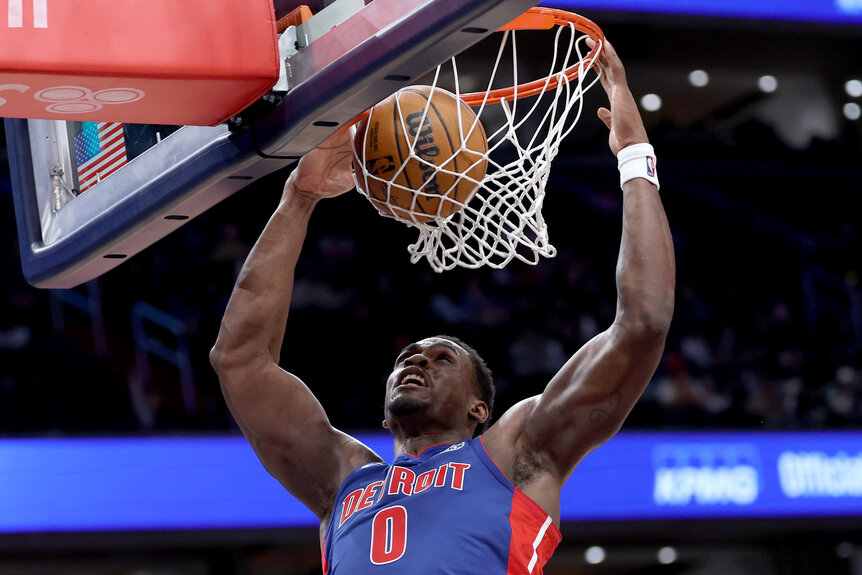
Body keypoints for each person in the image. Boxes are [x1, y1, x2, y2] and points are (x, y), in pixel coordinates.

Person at [210, 40, 674, 574]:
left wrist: (635, 155)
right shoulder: (342, 476)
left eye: (442, 358)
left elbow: (642, 324)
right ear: (384, 414)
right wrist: (300, 197)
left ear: (479, 410)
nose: (416, 360)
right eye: (408, 357)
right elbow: (239, 361)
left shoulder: (516, 454)